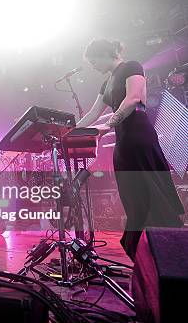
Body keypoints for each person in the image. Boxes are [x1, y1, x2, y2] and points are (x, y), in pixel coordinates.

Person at [78, 38, 184, 260]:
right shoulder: (105, 83)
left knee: (152, 194)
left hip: (139, 138)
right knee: (133, 199)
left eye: (93, 60)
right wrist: (69, 131)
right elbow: (93, 112)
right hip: (123, 143)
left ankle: (168, 250)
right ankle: (143, 254)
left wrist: (107, 126)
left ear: (105, 53)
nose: (92, 66)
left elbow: (134, 99)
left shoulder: (131, 66)